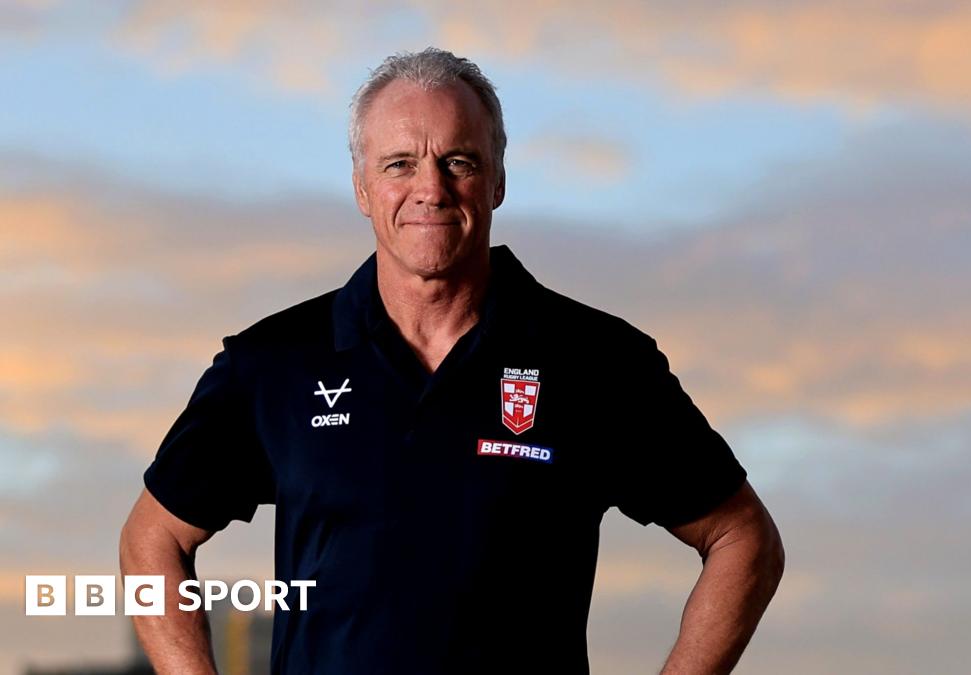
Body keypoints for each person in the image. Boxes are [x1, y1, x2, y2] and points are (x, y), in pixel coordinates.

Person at [118, 47, 785, 674]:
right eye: (399, 164)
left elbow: (743, 537)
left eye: (458, 161)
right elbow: (152, 540)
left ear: (497, 180)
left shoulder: (597, 361)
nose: (430, 189)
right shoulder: (273, 364)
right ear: (362, 187)